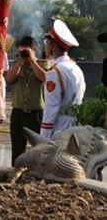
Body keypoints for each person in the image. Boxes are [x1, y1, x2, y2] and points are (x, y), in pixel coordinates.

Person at [6, 36, 50, 166]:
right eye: (21, 50)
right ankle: (16, 170)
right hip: (18, 111)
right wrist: (20, 61)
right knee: (17, 146)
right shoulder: (16, 64)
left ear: (34, 49)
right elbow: (9, 78)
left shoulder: (43, 64)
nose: (24, 53)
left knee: (38, 146)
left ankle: (38, 172)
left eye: (27, 50)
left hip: (35, 112)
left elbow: (45, 78)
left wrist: (32, 61)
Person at [40, 19, 86, 138]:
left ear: (53, 46)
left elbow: (51, 109)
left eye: (47, 42)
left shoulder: (54, 72)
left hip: (59, 130)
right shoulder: (76, 68)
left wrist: (42, 140)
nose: (45, 45)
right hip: (76, 127)